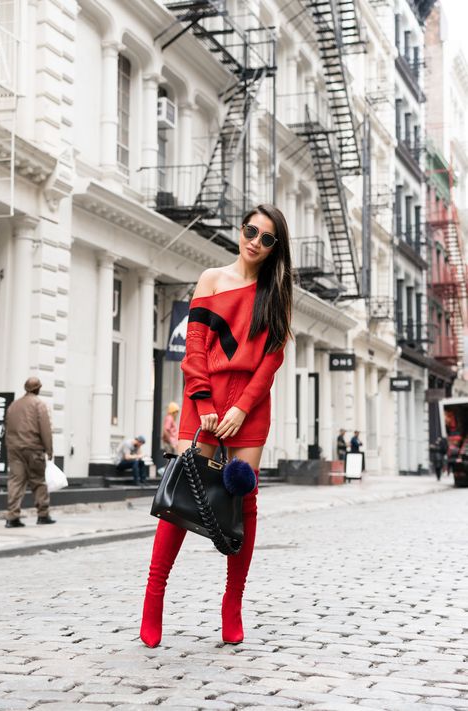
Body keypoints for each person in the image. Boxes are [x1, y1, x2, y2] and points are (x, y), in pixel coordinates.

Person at [140, 204, 292, 648]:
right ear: (239, 229)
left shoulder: (276, 292)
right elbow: (196, 348)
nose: (255, 242)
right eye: (251, 231)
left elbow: (271, 360)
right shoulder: (211, 279)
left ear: (274, 248)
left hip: (250, 406)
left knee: (245, 499)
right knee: (182, 495)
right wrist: (204, 400)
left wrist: (242, 408)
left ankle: (232, 604)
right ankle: (154, 597)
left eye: (267, 238)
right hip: (203, 404)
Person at [4, 377, 55, 527]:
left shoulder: (13, 405)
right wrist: (49, 449)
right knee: (38, 481)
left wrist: (10, 446)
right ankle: (43, 515)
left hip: (14, 449)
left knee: (15, 481)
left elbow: (7, 427)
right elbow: (45, 429)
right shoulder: (39, 404)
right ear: (38, 388)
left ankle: (12, 517)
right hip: (33, 448)